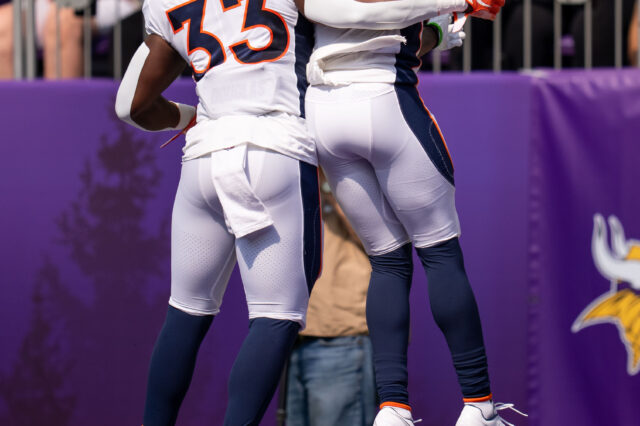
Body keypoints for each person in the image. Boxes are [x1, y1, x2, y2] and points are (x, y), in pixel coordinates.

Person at [115, 0, 480, 424]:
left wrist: (192, 119)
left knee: (186, 312)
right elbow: (356, 22)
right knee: (275, 318)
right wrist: (443, 16)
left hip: (205, 152)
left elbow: (132, 105)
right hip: (276, 143)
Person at [297, 1, 527, 425]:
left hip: (323, 112)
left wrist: (436, 31)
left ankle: (393, 408)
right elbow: (363, 15)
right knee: (440, 252)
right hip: (383, 98)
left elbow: (376, 27)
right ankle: (478, 405)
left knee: (387, 260)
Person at [286, 172, 377, 426]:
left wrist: (328, 175)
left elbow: (381, 236)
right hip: (297, 335)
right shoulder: (297, 170)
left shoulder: (354, 163)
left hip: (343, 338)